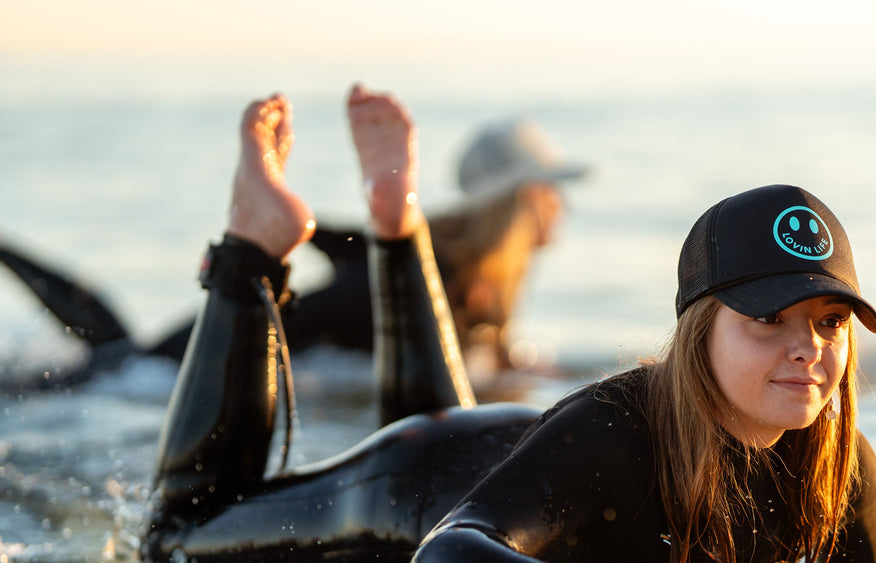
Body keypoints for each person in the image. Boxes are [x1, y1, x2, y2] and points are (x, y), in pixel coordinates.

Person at [142, 84, 876, 563]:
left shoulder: (840, 463)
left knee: (433, 416)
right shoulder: (615, 429)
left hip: (498, 452)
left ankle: (396, 225)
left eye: (829, 322)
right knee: (175, 539)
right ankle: (249, 249)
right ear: (699, 331)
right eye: (768, 321)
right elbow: (442, 559)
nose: (807, 348)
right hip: (407, 497)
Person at [0, 116, 584, 392]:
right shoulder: (437, 274)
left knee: (114, 352)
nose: (563, 207)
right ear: (523, 199)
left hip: (227, 351)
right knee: (115, 363)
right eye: (553, 192)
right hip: (197, 364)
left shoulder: (443, 265)